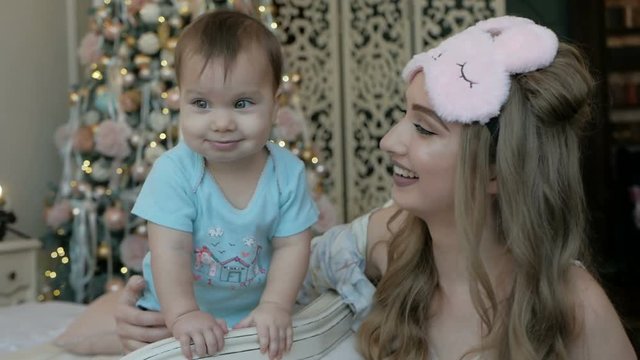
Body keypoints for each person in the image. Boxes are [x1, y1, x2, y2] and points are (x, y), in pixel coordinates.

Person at [116, 15, 637, 359]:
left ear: (499, 171)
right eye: (401, 117)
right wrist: (127, 319)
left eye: (424, 128)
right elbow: (251, 273)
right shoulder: (383, 244)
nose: (389, 141)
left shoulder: (572, 304)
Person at [130, 9, 318, 360]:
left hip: (254, 315)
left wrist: (276, 305)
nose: (221, 123)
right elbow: (170, 251)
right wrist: (183, 314)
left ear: (275, 107)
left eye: (242, 103)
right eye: (201, 103)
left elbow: (293, 246)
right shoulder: (174, 173)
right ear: (180, 100)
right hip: (172, 315)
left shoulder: (286, 173)